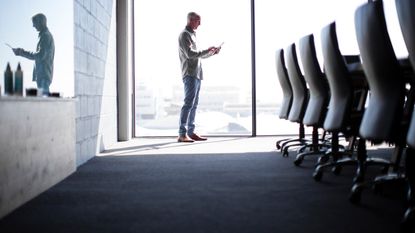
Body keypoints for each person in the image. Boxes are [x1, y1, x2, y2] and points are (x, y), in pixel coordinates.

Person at [177, 12, 221, 143]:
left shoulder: (192, 35)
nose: (200, 24)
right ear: (190, 20)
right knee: (188, 103)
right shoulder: (184, 35)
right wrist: (207, 50)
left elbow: (199, 56)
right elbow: (190, 54)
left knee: (194, 105)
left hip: (196, 74)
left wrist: (211, 53)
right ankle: (182, 133)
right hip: (189, 73)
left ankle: (190, 132)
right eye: (198, 20)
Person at [12, 13, 55, 95]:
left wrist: (21, 52)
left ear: (40, 22)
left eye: (34, 23)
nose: (33, 25)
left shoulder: (46, 36)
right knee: (43, 102)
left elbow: (40, 55)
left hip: (43, 76)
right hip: (42, 75)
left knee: (44, 103)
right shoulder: (44, 36)